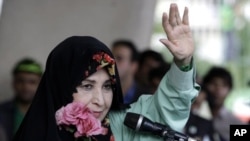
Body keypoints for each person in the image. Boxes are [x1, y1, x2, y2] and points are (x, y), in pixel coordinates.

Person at [13, 3, 199, 141]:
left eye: (108, 87)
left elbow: (165, 111)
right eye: (87, 86)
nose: (100, 100)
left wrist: (183, 62)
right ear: (61, 85)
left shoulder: (119, 126)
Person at [0, 58, 43, 141]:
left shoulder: (49, 112)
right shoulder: (2, 111)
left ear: (40, 84)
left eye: (32, 82)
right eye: (20, 81)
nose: (25, 87)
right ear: (14, 83)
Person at [203, 67, 245, 141]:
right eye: (214, 84)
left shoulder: (234, 123)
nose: (218, 89)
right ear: (205, 86)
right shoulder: (190, 115)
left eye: (224, 85)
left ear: (229, 90)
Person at [111, 40, 151, 104]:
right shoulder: (102, 92)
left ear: (133, 66)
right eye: (110, 57)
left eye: (119, 58)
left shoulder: (147, 99)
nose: (111, 62)